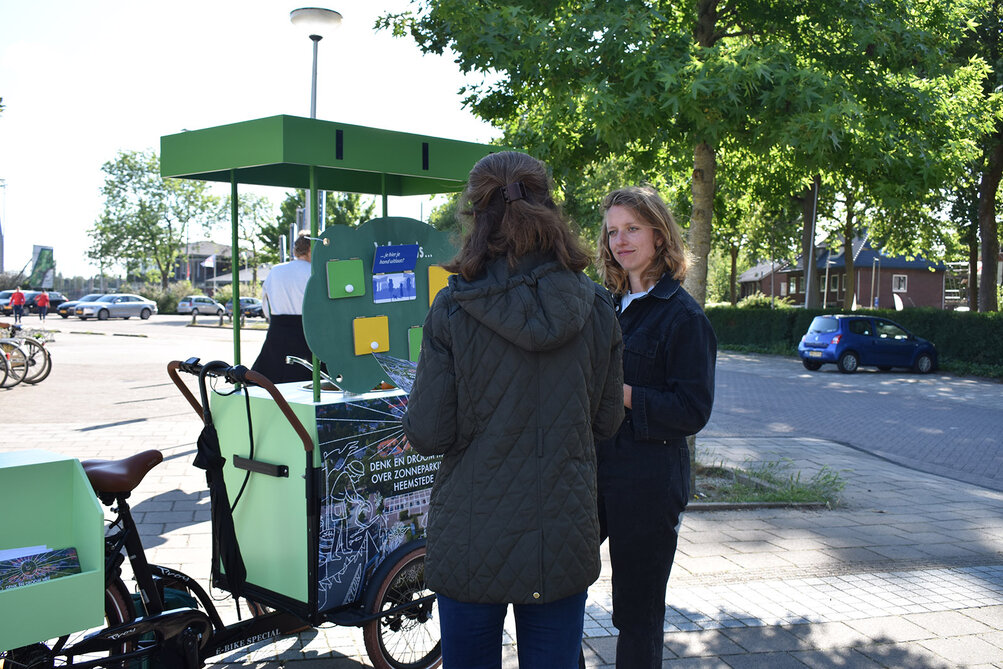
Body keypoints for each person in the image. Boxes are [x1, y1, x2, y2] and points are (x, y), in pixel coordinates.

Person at [402, 151, 624, 669]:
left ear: (476, 215)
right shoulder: (596, 307)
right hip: (561, 536)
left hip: (471, 537)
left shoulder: (453, 308)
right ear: (549, 207)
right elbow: (607, 421)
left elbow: (429, 433)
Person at [593, 186, 716, 668]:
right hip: (593, 471)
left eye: (632, 229)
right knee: (554, 582)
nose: (620, 241)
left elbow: (692, 410)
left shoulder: (684, 317)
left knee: (637, 612)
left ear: (660, 236)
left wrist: (621, 393)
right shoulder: (605, 305)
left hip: (648, 480)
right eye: (613, 232)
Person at [251, 232, 313, 383]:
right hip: (309, 334)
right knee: (309, 382)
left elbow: (266, 307)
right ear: (311, 249)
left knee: (272, 382)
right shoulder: (316, 272)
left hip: (277, 334)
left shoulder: (276, 271)